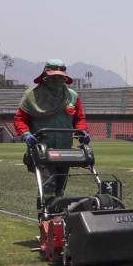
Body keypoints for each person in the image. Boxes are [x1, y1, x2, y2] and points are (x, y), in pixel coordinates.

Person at [14, 59, 90, 201]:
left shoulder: (73, 96)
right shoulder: (32, 96)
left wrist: (82, 132)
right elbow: (20, 119)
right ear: (45, 76)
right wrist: (26, 134)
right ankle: (47, 215)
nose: (57, 80)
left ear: (65, 78)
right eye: (54, 77)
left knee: (60, 187)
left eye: (60, 77)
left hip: (65, 150)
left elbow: (79, 118)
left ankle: (59, 213)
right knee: (48, 186)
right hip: (42, 149)